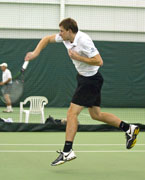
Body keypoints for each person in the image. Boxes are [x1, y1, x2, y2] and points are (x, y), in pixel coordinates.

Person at [24, 18, 140, 166]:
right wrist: (35, 53)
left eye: (61, 31)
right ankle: (129, 128)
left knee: (72, 114)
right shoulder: (65, 38)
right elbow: (46, 39)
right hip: (85, 78)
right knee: (96, 115)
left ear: (69, 31)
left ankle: (67, 151)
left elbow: (99, 61)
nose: (59, 33)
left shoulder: (84, 41)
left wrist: (78, 57)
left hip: (90, 80)